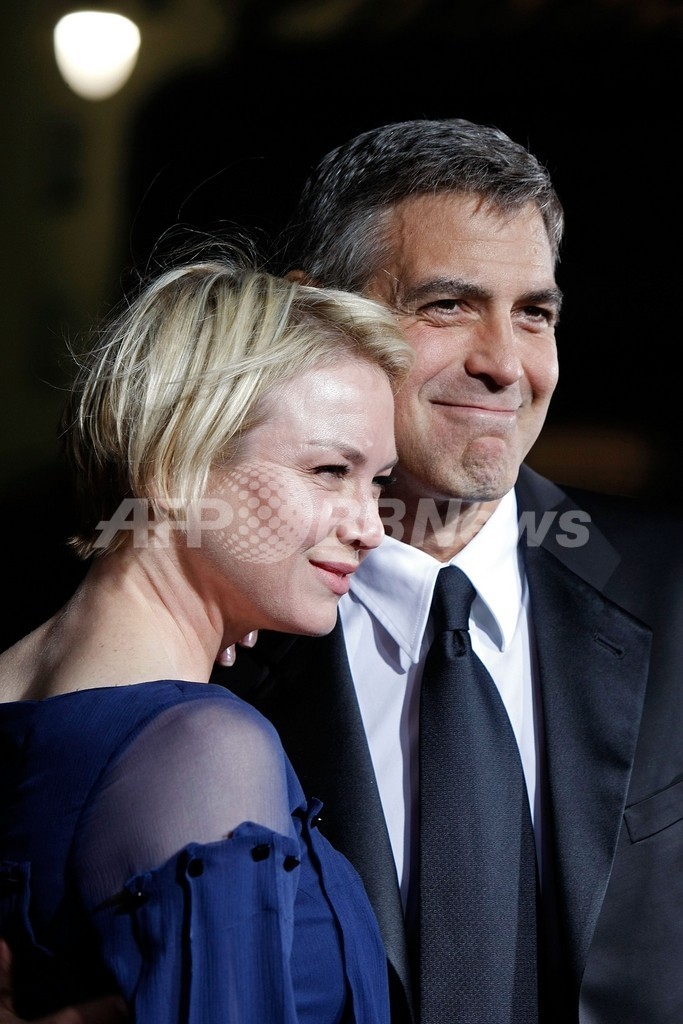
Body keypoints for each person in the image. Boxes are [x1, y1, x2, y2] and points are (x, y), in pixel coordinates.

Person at [212, 118, 683, 1024]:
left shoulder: (669, 591)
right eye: (447, 306)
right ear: (313, 320)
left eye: (534, 314)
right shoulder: (210, 631)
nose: (504, 364)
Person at [0, 253, 414, 1022]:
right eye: (330, 470)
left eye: (379, 482)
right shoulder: (202, 748)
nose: (371, 528)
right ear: (175, 467)